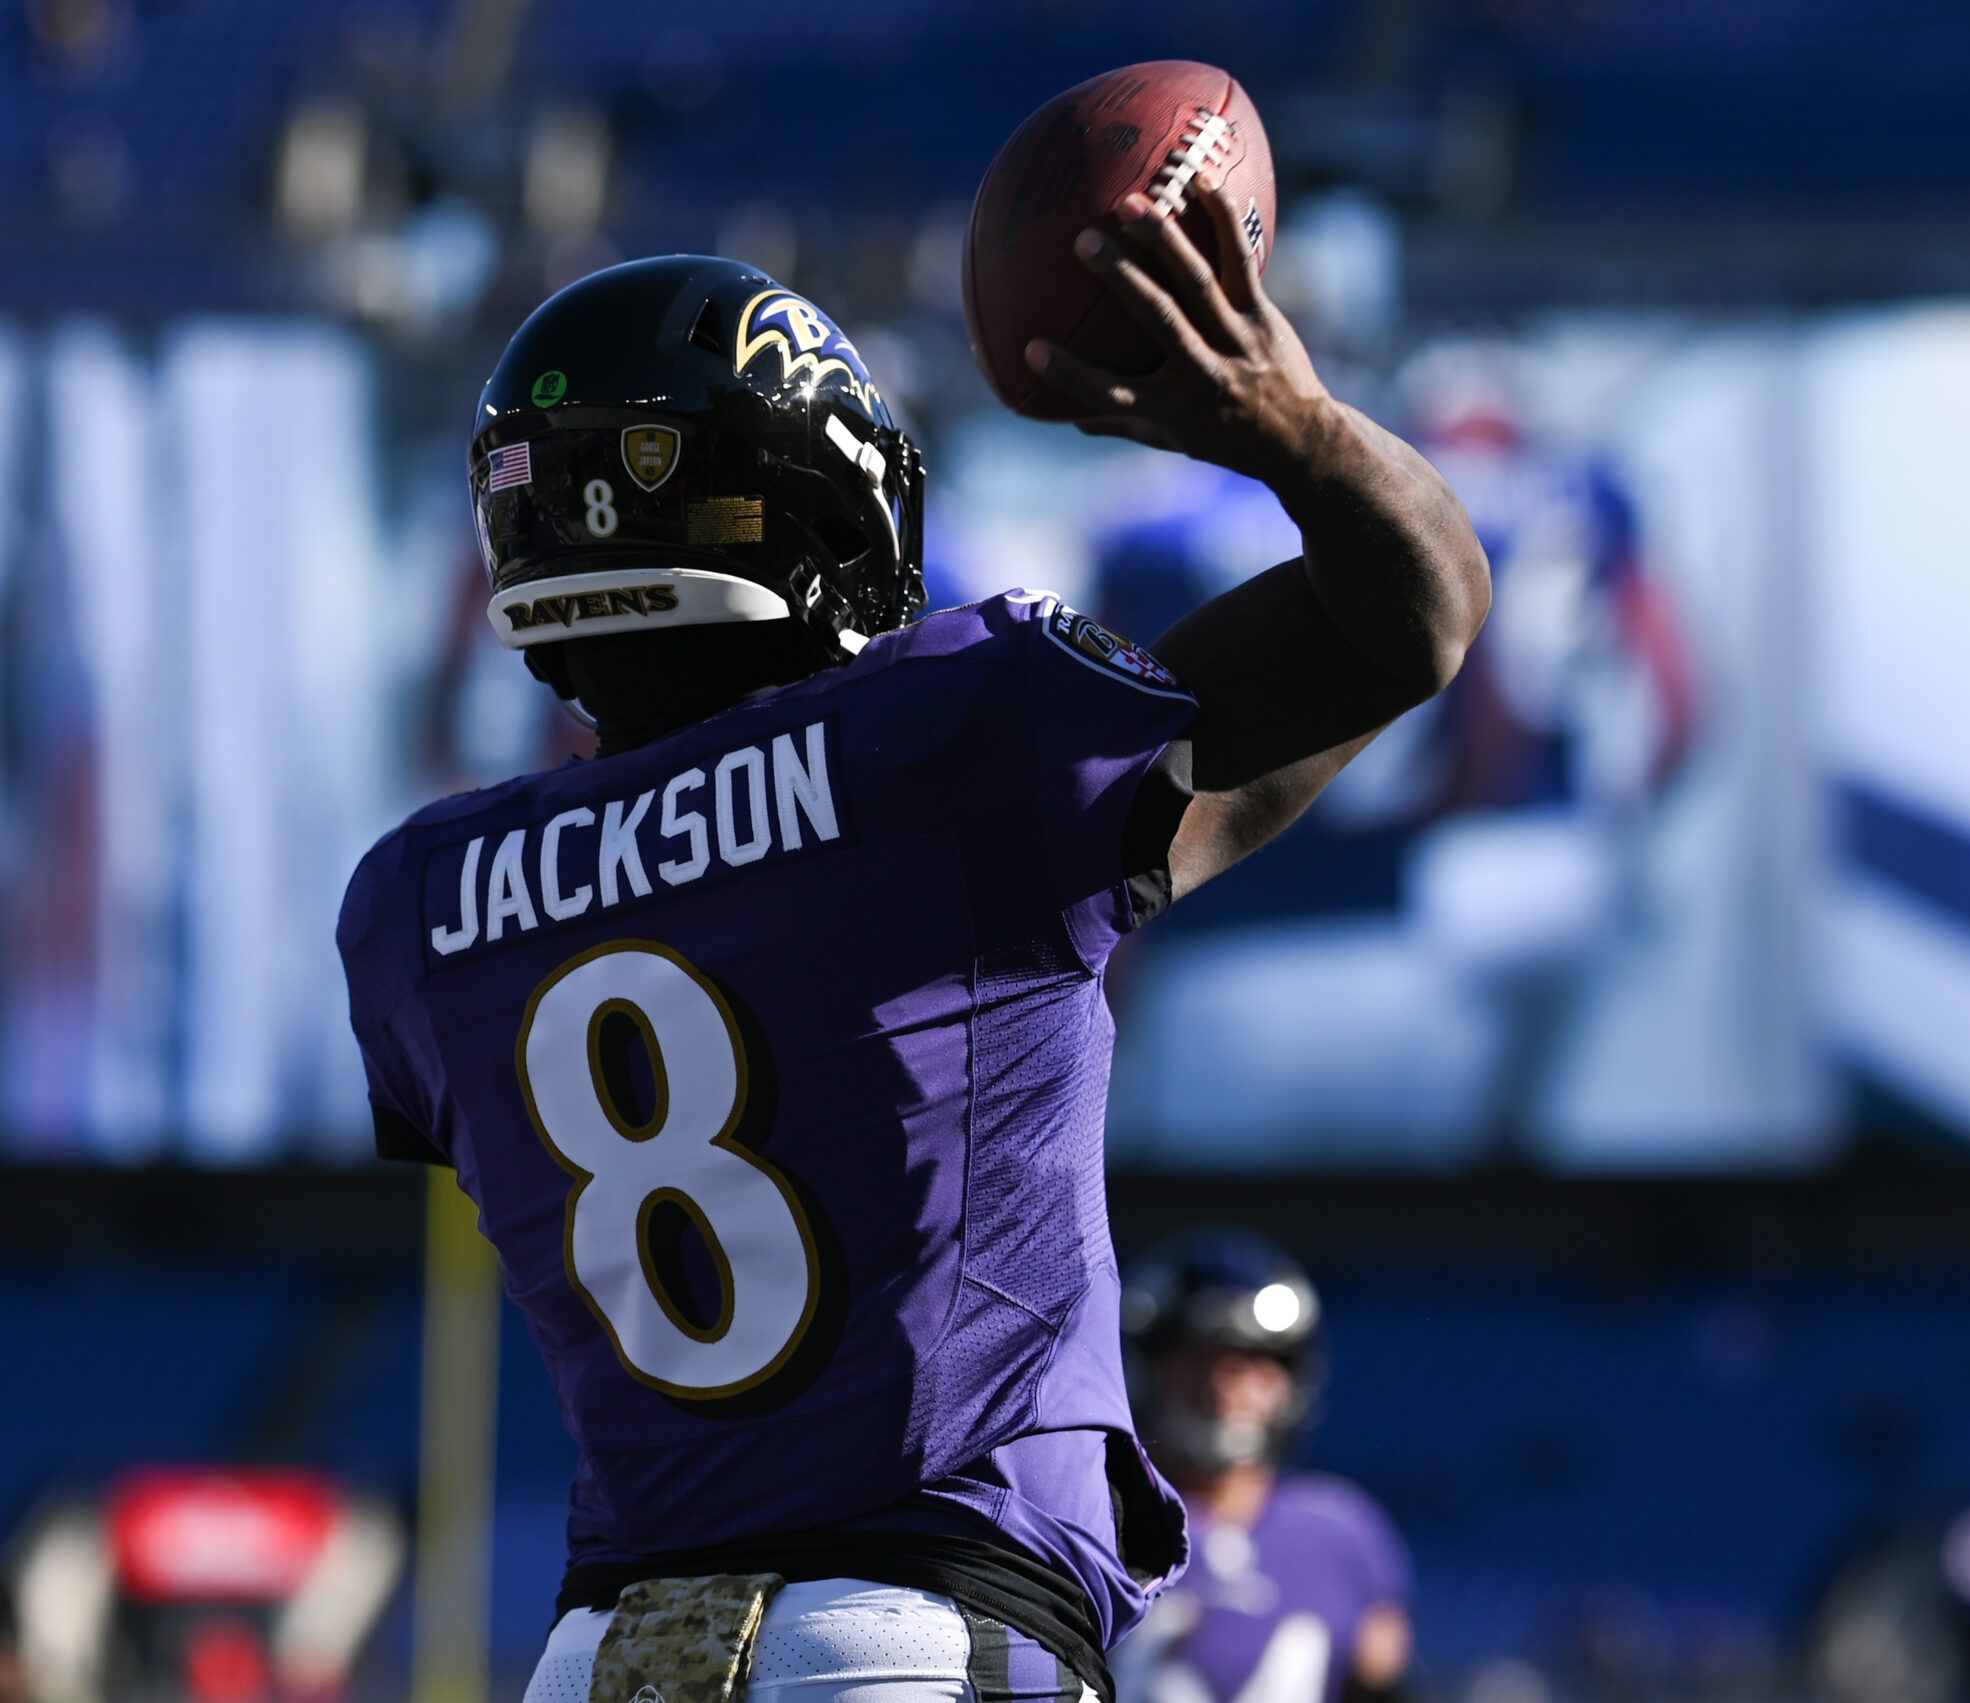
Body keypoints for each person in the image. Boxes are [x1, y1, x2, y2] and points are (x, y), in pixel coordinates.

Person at [335, 175, 1485, 1703]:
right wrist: (1292, 425)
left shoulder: (413, 898)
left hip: (596, 1652)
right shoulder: (954, 742)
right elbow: (1415, 615)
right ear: (825, 504)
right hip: (911, 1630)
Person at [1113, 1233, 1411, 1703]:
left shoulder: (1342, 1534)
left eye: (1253, 1362)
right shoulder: (1098, 1517)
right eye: (1201, 1359)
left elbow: (1387, 1681)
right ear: (1150, 1370)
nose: (1227, 1387)